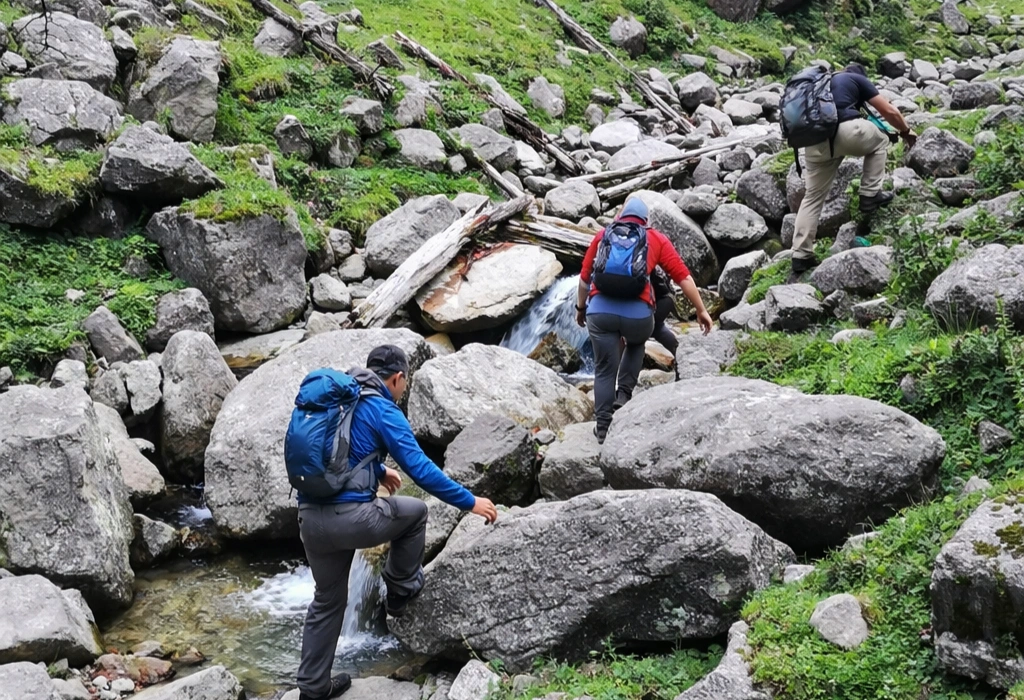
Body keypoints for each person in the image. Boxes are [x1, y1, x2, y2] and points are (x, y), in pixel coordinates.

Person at [295, 345, 498, 700]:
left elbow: (334, 456)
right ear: (398, 378)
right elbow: (420, 469)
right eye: (405, 383)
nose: (403, 390)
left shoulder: (340, 400)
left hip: (310, 520)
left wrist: (376, 469)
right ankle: (400, 592)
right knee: (415, 513)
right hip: (351, 520)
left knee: (327, 600)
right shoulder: (383, 410)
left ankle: (313, 687)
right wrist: (471, 501)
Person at [575, 198, 713, 444]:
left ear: (620, 216)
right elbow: (683, 278)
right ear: (646, 220)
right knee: (637, 343)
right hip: (638, 316)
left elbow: (585, 279)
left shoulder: (603, 235)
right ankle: (624, 395)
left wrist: (580, 308)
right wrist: (701, 310)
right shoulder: (656, 238)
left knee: (604, 369)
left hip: (600, 313)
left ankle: (603, 427)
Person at [790, 63, 917, 275]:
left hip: (813, 141)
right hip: (846, 130)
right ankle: (869, 194)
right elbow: (889, 111)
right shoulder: (857, 79)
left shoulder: (818, 85)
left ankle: (800, 254)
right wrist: (906, 131)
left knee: (812, 197)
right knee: (881, 139)